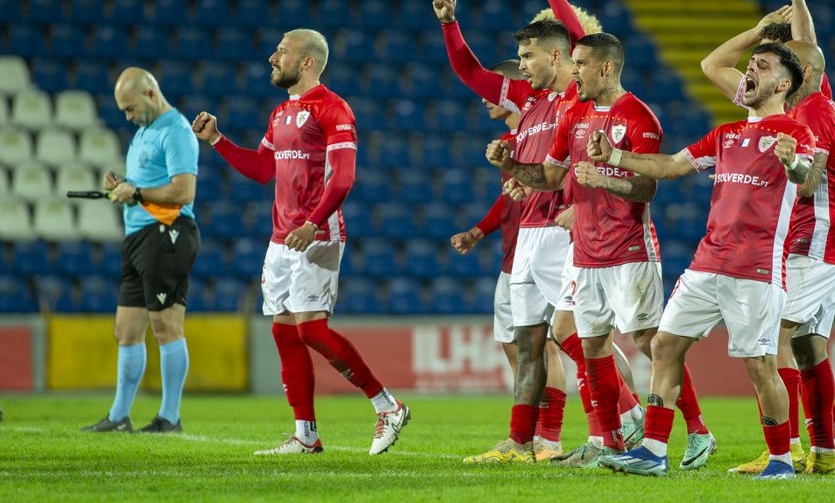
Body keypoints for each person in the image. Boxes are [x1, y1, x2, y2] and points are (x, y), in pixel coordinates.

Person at [434, 0, 643, 465]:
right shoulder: (525, 102)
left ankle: (619, 421)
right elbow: (469, 72)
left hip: (560, 231)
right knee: (530, 342)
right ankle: (522, 441)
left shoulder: (573, 94)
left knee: (576, 335)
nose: (521, 64)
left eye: (528, 55)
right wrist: (450, 25)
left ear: (561, 57)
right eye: (519, 56)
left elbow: (576, 33)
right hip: (527, 235)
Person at [489, 32, 715, 470]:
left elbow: (647, 186)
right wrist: (511, 165)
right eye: (572, 63)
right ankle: (608, 440)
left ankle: (700, 430)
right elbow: (553, 177)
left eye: (581, 64)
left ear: (606, 68)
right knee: (584, 340)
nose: (574, 72)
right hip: (584, 252)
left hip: (629, 250)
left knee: (650, 343)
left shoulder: (638, 116)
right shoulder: (573, 113)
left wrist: (604, 178)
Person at [592, 42, 815, 479]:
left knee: (759, 365)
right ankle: (655, 450)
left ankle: (781, 460)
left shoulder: (795, 134)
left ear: (783, 84)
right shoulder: (726, 134)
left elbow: (803, 175)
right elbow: (673, 165)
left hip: (756, 269)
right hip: (707, 263)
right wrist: (616, 157)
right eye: (750, 65)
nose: (750, 70)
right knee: (664, 344)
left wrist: (792, 163)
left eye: (762, 66)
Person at [191, 28, 410, 456]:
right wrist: (217, 140)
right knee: (285, 333)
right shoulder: (279, 113)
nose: (272, 57)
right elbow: (260, 169)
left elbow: (344, 177)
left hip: (317, 234)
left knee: (311, 330)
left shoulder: (333, 109)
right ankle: (305, 435)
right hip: (281, 238)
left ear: (307, 62)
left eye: (282, 51)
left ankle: (388, 406)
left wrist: (313, 222)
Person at [702, 0, 835, 474]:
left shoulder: (813, 113)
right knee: (810, 346)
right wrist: (800, 2)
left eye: (784, 61)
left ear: (799, 74)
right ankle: (829, 451)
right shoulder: (812, 95)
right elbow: (810, 49)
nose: (773, 65)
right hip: (813, 242)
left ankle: (781, 452)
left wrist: (785, 165)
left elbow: (807, 183)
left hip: (813, 244)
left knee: (777, 337)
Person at [449, 58, 568, 461]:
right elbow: (511, 195)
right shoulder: (511, 141)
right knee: (517, 346)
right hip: (514, 257)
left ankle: (550, 438)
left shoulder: (551, 124)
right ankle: (525, 438)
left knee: (554, 343)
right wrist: (479, 231)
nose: (486, 99)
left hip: (551, 245)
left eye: (493, 92)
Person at [82, 67, 200, 434]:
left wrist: (135, 192)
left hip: (167, 233)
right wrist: (125, 186)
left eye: (130, 109)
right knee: (126, 329)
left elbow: (184, 192)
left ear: (150, 94)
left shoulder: (176, 131)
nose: (128, 117)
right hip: (137, 237)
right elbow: (145, 187)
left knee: (166, 326)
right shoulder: (144, 133)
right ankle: (119, 417)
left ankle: (170, 416)